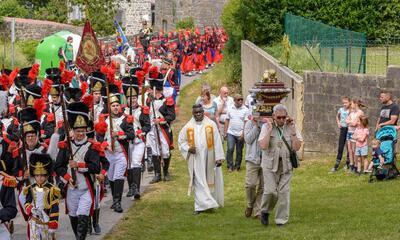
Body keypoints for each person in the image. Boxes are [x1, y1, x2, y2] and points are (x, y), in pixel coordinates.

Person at [54, 102, 101, 240]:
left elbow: (95, 167)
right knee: (73, 216)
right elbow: (58, 166)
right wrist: (68, 177)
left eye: (83, 130)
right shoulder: (66, 146)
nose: (80, 133)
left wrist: (78, 165)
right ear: (72, 131)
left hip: (86, 188)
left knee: (83, 215)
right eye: (77, 131)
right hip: (71, 188)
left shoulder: (92, 146)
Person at [258, 104, 302, 227]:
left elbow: (297, 147)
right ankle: (265, 211)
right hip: (269, 165)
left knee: (284, 193)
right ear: (274, 116)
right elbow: (263, 146)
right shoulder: (267, 127)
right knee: (271, 192)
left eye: (284, 117)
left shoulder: (292, 126)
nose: (282, 120)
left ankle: (281, 220)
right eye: (279, 117)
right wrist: (269, 129)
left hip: (286, 165)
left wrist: (293, 131)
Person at [178, 104, 224, 215]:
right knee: (198, 181)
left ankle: (209, 204)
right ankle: (199, 207)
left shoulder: (211, 124)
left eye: (200, 112)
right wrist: (189, 148)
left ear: (203, 112)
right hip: (196, 159)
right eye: (196, 112)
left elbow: (217, 141)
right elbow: (181, 141)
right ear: (193, 113)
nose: (198, 114)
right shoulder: (188, 126)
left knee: (209, 180)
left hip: (209, 156)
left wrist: (218, 157)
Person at [23, 153, 60, 240]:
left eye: (42, 175)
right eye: (37, 175)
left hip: (46, 221)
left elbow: (55, 208)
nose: (40, 178)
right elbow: (27, 202)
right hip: (34, 220)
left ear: (47, 175)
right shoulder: (30, 188)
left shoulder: (52, 189)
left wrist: (53, 222)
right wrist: (31, 209)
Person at [244, 115, 264, 219]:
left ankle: (258, 211)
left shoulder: (268, 123)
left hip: (266, 160)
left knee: (263, 187)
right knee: (250, 185)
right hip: (252, 159)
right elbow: (248, 139)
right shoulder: (249, 123)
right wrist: (257, 127)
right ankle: (250, 204)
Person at [224, 94, 248, 171]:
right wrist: (225, 132)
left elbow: (246, 123)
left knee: (239, 151)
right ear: (234, 100)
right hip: (231, 133)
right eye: (238, 100)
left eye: (241, 99)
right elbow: (227, 120)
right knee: (230, 149)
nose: (240, 101)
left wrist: (243, 134)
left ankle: (237, 166)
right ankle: (230, 166)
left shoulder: (245, 110)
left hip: (240, 134)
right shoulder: (230, 108)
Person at [331, 97, 351, 172]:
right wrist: (338, 123)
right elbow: (337, 116)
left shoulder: (351, 110)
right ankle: (336, 165)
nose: (344, 104)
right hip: (343, 129)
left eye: (346, 102)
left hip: (349, 130)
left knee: (349, 147)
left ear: (349, 102)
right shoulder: (341, 109)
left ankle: (348, 163)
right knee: (340, 146)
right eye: (343, 102)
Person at [345, 98, 365, 173]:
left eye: (352, 103)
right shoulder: (351, 112)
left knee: (354, 150)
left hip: (355, 133)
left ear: (355, 104)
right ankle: (351, 165)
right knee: (350, 150)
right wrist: (350, 122)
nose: (351, 105)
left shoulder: (360, 112)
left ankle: (356, 166)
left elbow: (354, 124)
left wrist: (350, 122)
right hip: (349, 132)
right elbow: (346, 120)